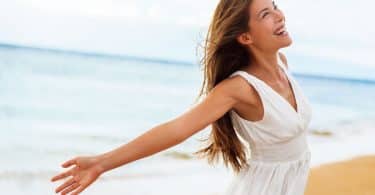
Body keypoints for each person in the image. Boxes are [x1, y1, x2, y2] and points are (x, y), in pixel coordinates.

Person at [50, 0, 313, 194]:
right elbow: (176, 129)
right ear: (245, 36)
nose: (279, 15)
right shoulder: (240, 88)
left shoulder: (283, 65)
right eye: (266, 14)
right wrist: (101, 163)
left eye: (275, 6)